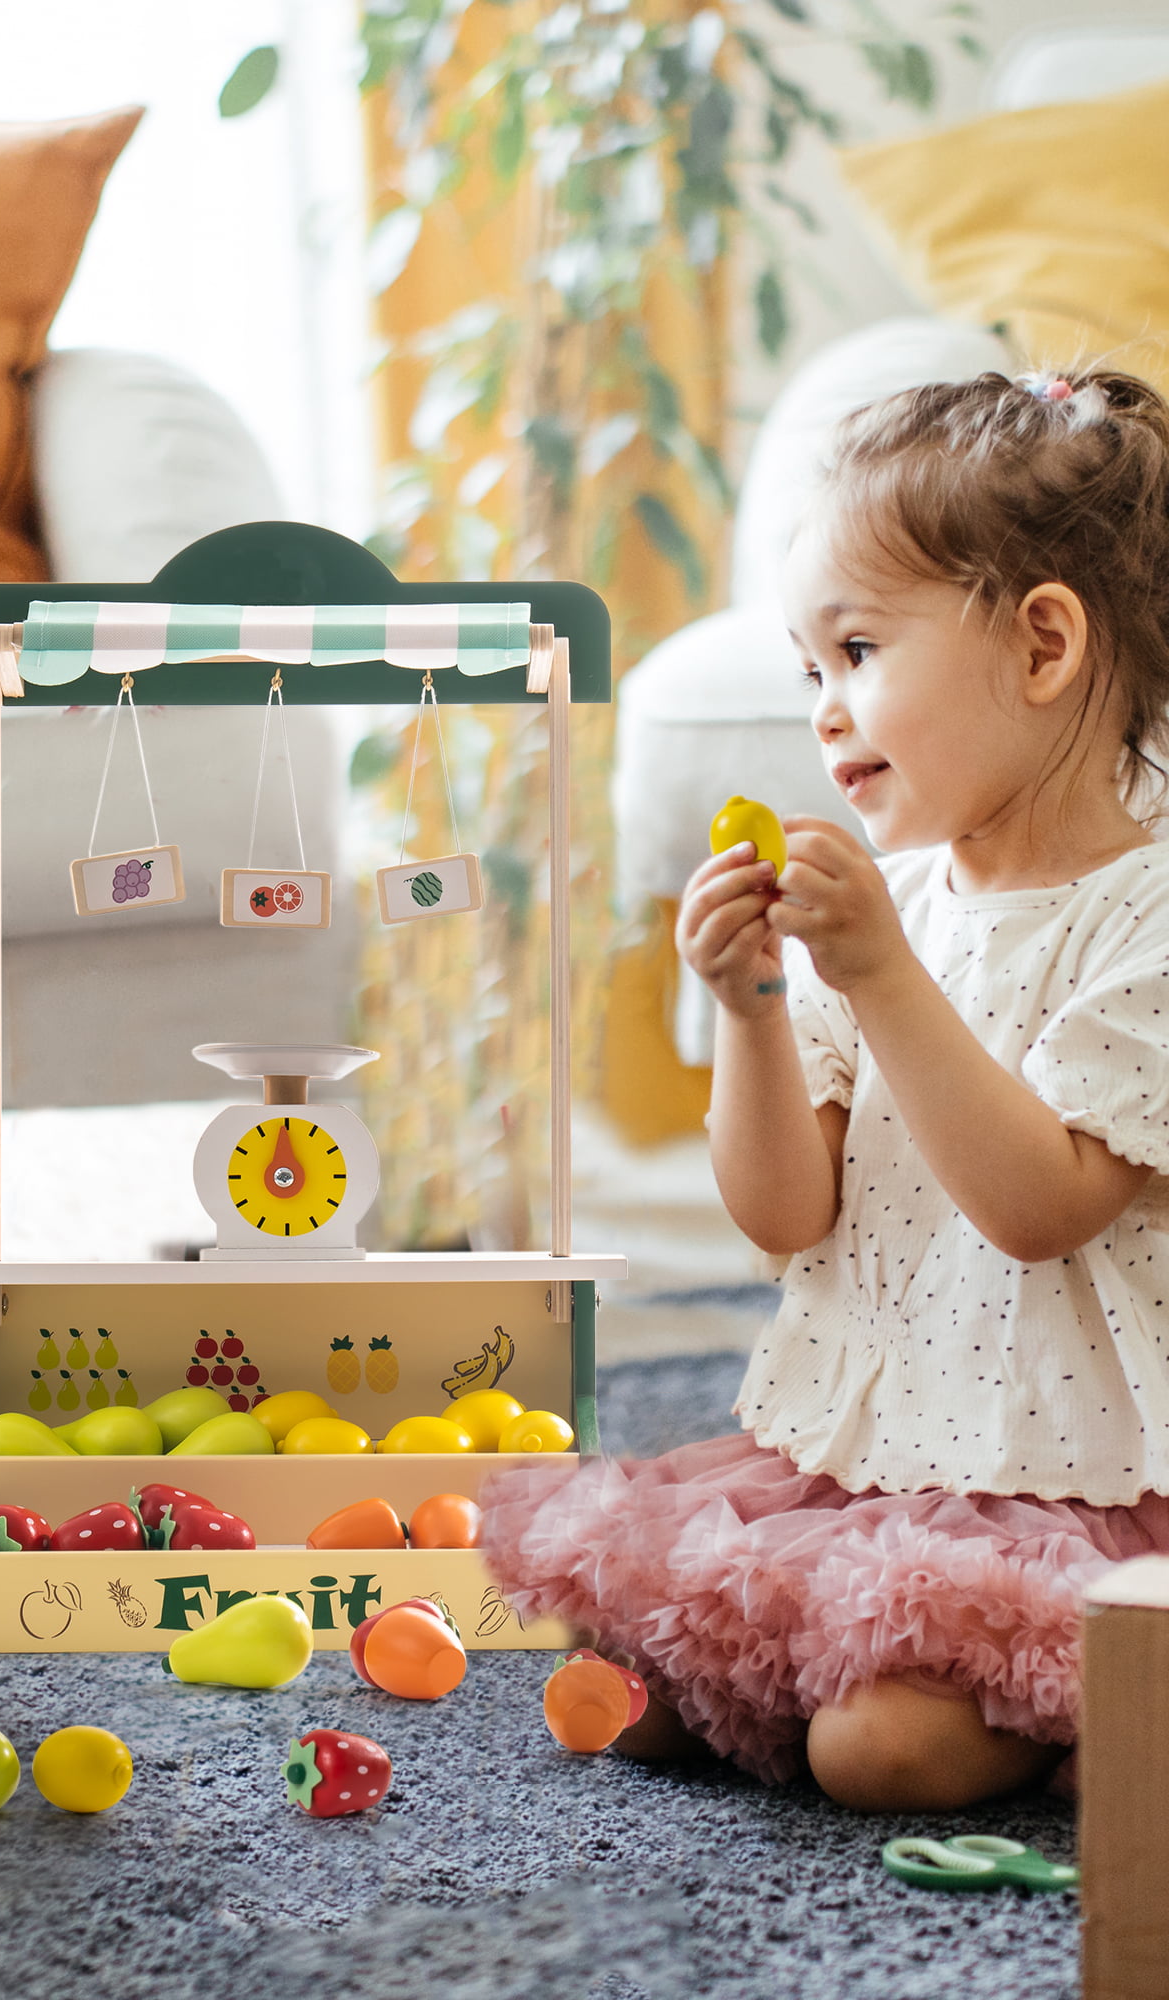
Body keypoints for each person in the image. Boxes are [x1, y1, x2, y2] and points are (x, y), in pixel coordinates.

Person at [485, 367, 1169, 1809]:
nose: (824, 708)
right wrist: (749, 1011)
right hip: (887, 1450)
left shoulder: (1146, 912)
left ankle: (1115, 1702)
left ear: (1045, 644)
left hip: (1085, 1478)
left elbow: (1038, 1206)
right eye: (807, 670)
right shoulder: (894, 904)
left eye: (857, 649)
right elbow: (787, 1217)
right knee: (640, 1685)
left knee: (878, 1752)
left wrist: (876, 976)